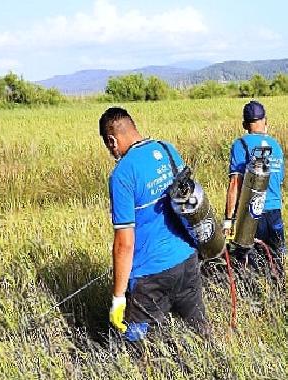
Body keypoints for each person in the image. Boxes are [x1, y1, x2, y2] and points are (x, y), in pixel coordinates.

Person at [99, 107, 206, 344]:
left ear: (112, 140)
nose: (112, 152)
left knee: (139, 349)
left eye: (109, 147)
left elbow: (124, 244)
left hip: (149, 277)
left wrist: (118, 299)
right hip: (188, 262)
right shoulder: (167, 150)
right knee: (200, 337)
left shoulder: (122, 175)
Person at [223, 100, 286, 270]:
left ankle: (256, 293)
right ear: (265, 121)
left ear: (245, 124)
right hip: (275, 212)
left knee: (253, 264)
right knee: (277, 259)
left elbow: (235, 183)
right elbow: (280, 179)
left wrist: (228, 220)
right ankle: (281, 292)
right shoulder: (276, 145)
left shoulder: (240, 144)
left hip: (252, 214)